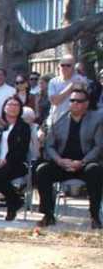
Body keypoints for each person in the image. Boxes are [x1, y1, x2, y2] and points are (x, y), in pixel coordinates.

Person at [35, 89, 102, 229]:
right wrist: (59, 160)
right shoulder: (58, 119)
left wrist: (82, 162)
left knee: (95, 170)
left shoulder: (97, 119)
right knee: (42, 170)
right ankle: (48, 215)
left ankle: (94, 215)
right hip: (62, 163)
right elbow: (49, 146)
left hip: (85, 164)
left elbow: (98, 146)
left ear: (86, 104)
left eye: (79, 101)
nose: (75, 103)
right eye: (72, 100)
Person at [0, 96, 32, 221]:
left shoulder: (24, 127)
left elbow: (22, 149)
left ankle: (11, 208)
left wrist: (6, 160)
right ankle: (16, 199)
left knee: (0, 176)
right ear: (4, 107)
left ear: (20, 109)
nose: (13, 108)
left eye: (16, 105)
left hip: (15, 162)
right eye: (10, 104)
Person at [48, 55, 89, 125]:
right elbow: (54, 101)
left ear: (73, 67)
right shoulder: (53, 82)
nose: (65, 67)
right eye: (62, 65)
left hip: (76, 121)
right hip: (57, 120)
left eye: (68, 65)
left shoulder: (81, 80)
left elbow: (84, 102)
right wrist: (70, 87)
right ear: (59, 66)